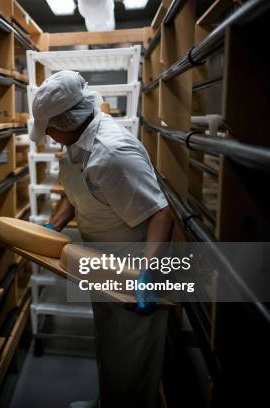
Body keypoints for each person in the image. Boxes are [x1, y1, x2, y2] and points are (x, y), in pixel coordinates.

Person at [30, 70, 174, 408]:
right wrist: (52, 227)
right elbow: (78, 193)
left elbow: (161, 213)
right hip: (101, 262)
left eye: (49, 128)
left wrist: (148, 273)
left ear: (66, 123)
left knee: (132, 358)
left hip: (133, 268)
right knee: (110, 346)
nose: (48, 135)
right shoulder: (77, 143)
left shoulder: (112, 153)